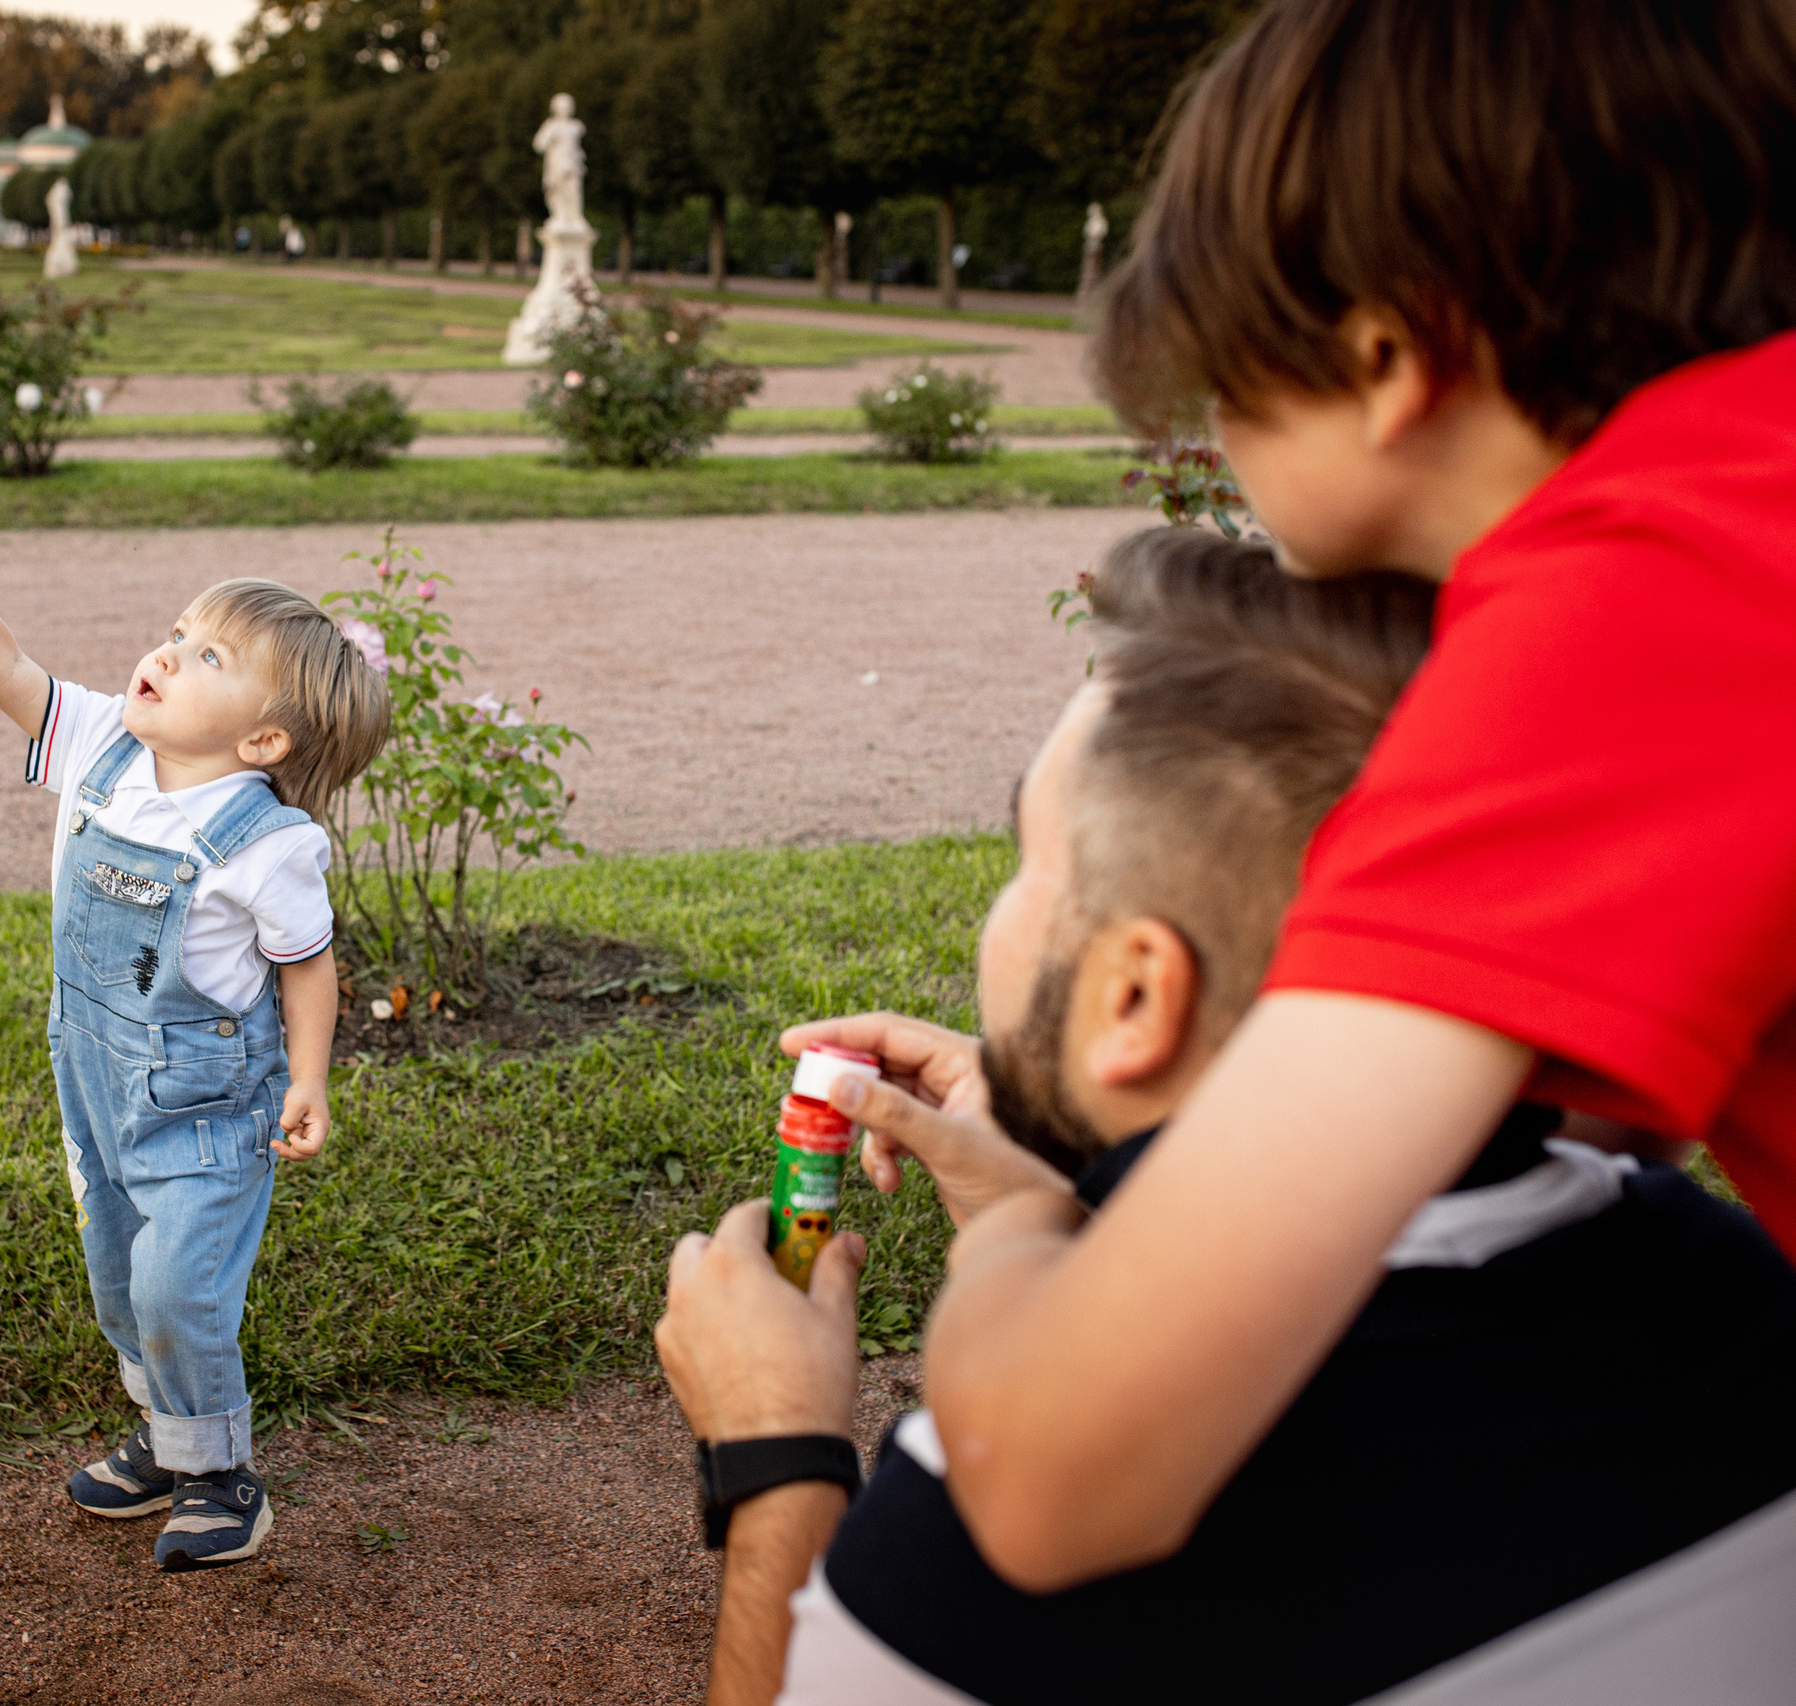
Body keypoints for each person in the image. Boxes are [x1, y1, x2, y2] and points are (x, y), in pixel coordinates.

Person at [672, 0, 1796, 1609]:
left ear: (1389, 352)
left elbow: (1059, 1474)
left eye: (1224, 384)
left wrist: (1015, 1221)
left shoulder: (1628, 614)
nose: (1210, 437)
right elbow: (1595, 1102)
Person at [657, 529, 1796, 1704]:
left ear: (1137, 992)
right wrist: (1038, 1192)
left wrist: (776, 1449)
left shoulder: (1009, 1515)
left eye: (1019, 862)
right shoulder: (1734, 1281)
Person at [0, 472, 390, 1570]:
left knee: (174, 1282)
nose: (167, 651)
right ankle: (166, 1435)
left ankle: (223, 1475)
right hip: (96, 1082)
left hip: (203, 1109)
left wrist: (310, 1077)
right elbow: (0, 666)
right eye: (178, 631)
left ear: (265, 741)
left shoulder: (268, 844)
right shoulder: (102, 742)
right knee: (116, 1269)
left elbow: (308, 966)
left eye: (209, 657)